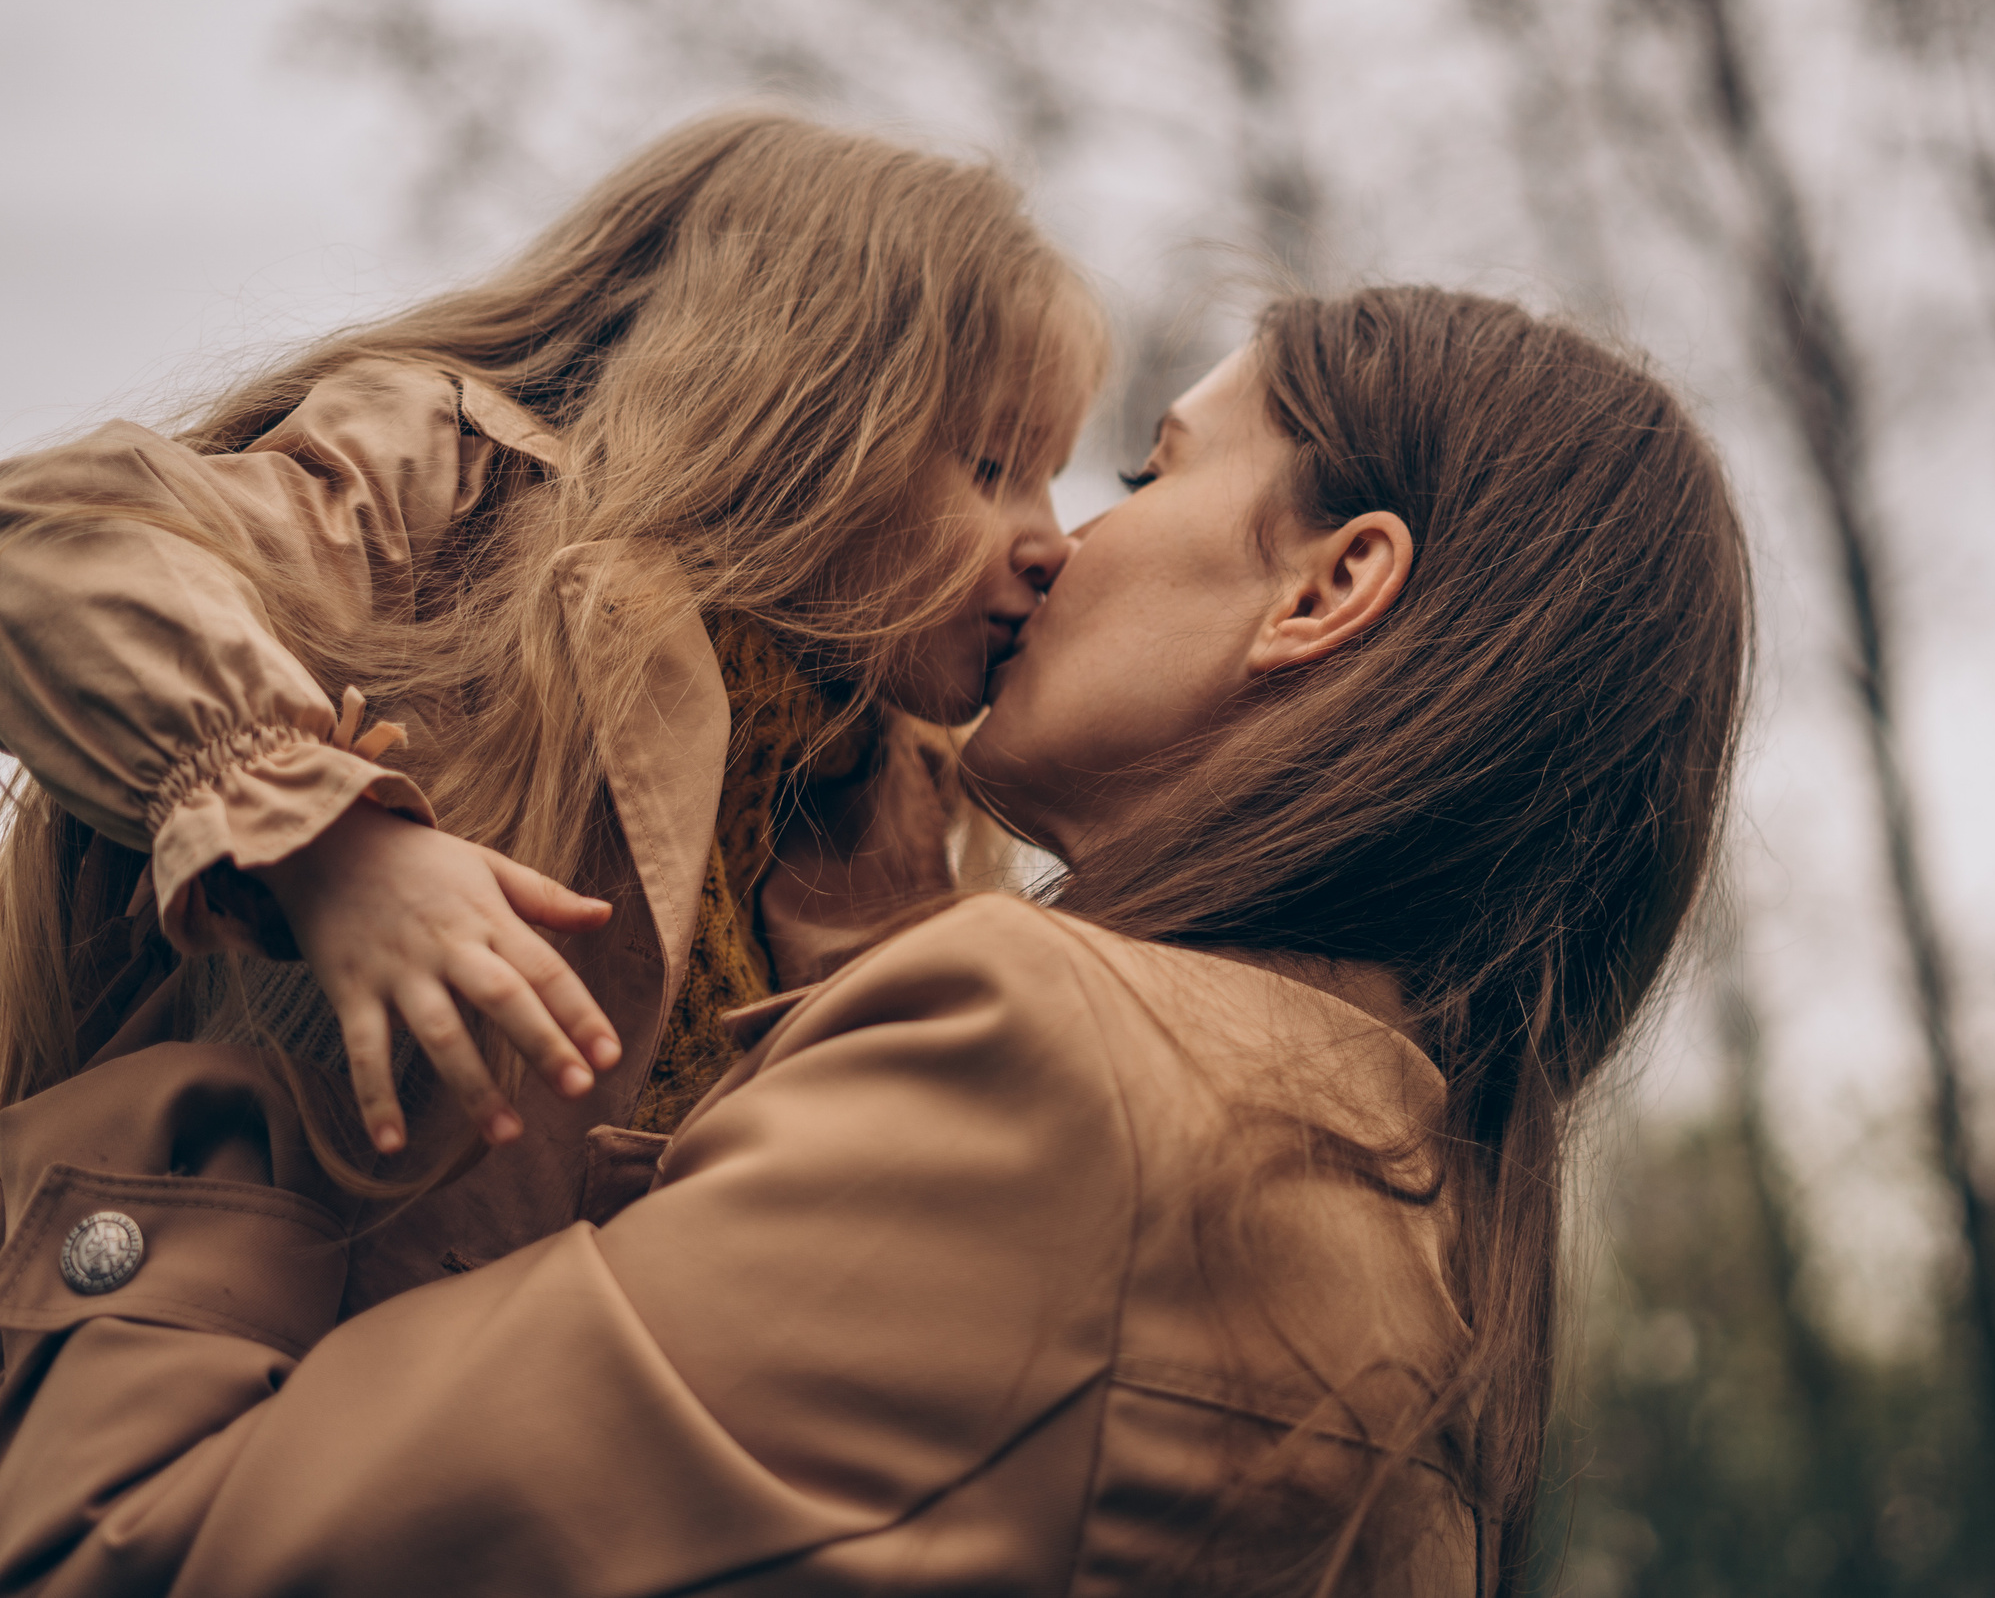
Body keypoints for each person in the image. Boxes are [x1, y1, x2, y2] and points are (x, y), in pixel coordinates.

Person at [0, 287, 1751, 1594]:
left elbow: (160, 1545)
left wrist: (222, 1081)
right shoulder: (1395, 1200)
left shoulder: (1067, 1075)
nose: (1062, 542)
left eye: (1153, 468)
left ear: (1325, 591)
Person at [0, 108, 1097, 1307]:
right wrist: (326, 839)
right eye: (992, 467)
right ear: (807, 411)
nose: (1053, 539)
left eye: (1053, 474)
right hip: (192, 1326)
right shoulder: (466, 496)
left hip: (498, 1406)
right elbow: (57, 545)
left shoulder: (885, 789)